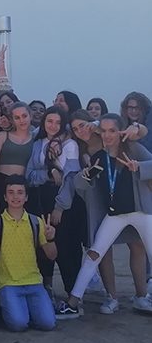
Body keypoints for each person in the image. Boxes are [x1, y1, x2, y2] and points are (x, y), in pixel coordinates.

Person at [57, 114, 152, 319]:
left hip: (141, 212)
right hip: (115, 215)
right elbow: (80, 185)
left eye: (112, 131)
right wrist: (87, 174)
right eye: (105, 131)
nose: (108, 135)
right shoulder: (98, 156)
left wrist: (139, 167)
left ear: (120, 131)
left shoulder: (133, 148)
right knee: (94, 254)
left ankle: (142, 296)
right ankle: (73, 303)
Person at [0, 175, 56, 332]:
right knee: (18, 325)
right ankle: (18, 309)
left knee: (48, 324)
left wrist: (50, 239)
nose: (15, 197)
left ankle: (26, 310)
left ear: (26, 197)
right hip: (8, 284)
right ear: (5, 197)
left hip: (34, 282)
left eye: (20, 192)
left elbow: (52, 255)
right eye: (11, 192)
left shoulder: (36, 222)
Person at [26, 106, 82, 298]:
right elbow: (29, 175)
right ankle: (47, 289)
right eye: (49, 121)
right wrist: (49, 173)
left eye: (58, 122)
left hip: (65, 203)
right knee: (43, 246)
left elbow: (71, 178)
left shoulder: (70, 145)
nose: (53, 125)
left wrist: (60, 207)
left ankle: (73, 296)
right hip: (41, 200)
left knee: (65, 249)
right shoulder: (37, 144)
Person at [0, 102, 34, 213]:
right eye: (17, 117)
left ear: (30, 116)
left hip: (24, 185)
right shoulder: (2, 136)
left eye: (24, 116)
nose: (22, 120)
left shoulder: (36, 139)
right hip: (1, 183)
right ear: (12, 120)